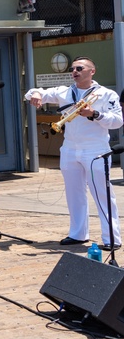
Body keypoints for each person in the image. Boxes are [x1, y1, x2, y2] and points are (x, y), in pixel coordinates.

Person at [26, 57, 123, 248]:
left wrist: (95, 114)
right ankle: (78, 234)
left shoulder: (106, 94)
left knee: (102, 194)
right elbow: (33, 93)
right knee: (74, 193)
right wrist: (36, 94)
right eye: (73, 69)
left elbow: (118, 120)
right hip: (70, 148)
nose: (75, 71)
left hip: (95, 149)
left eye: (79, 68)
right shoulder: (65, 91)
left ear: (92, 71)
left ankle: (111, 238)